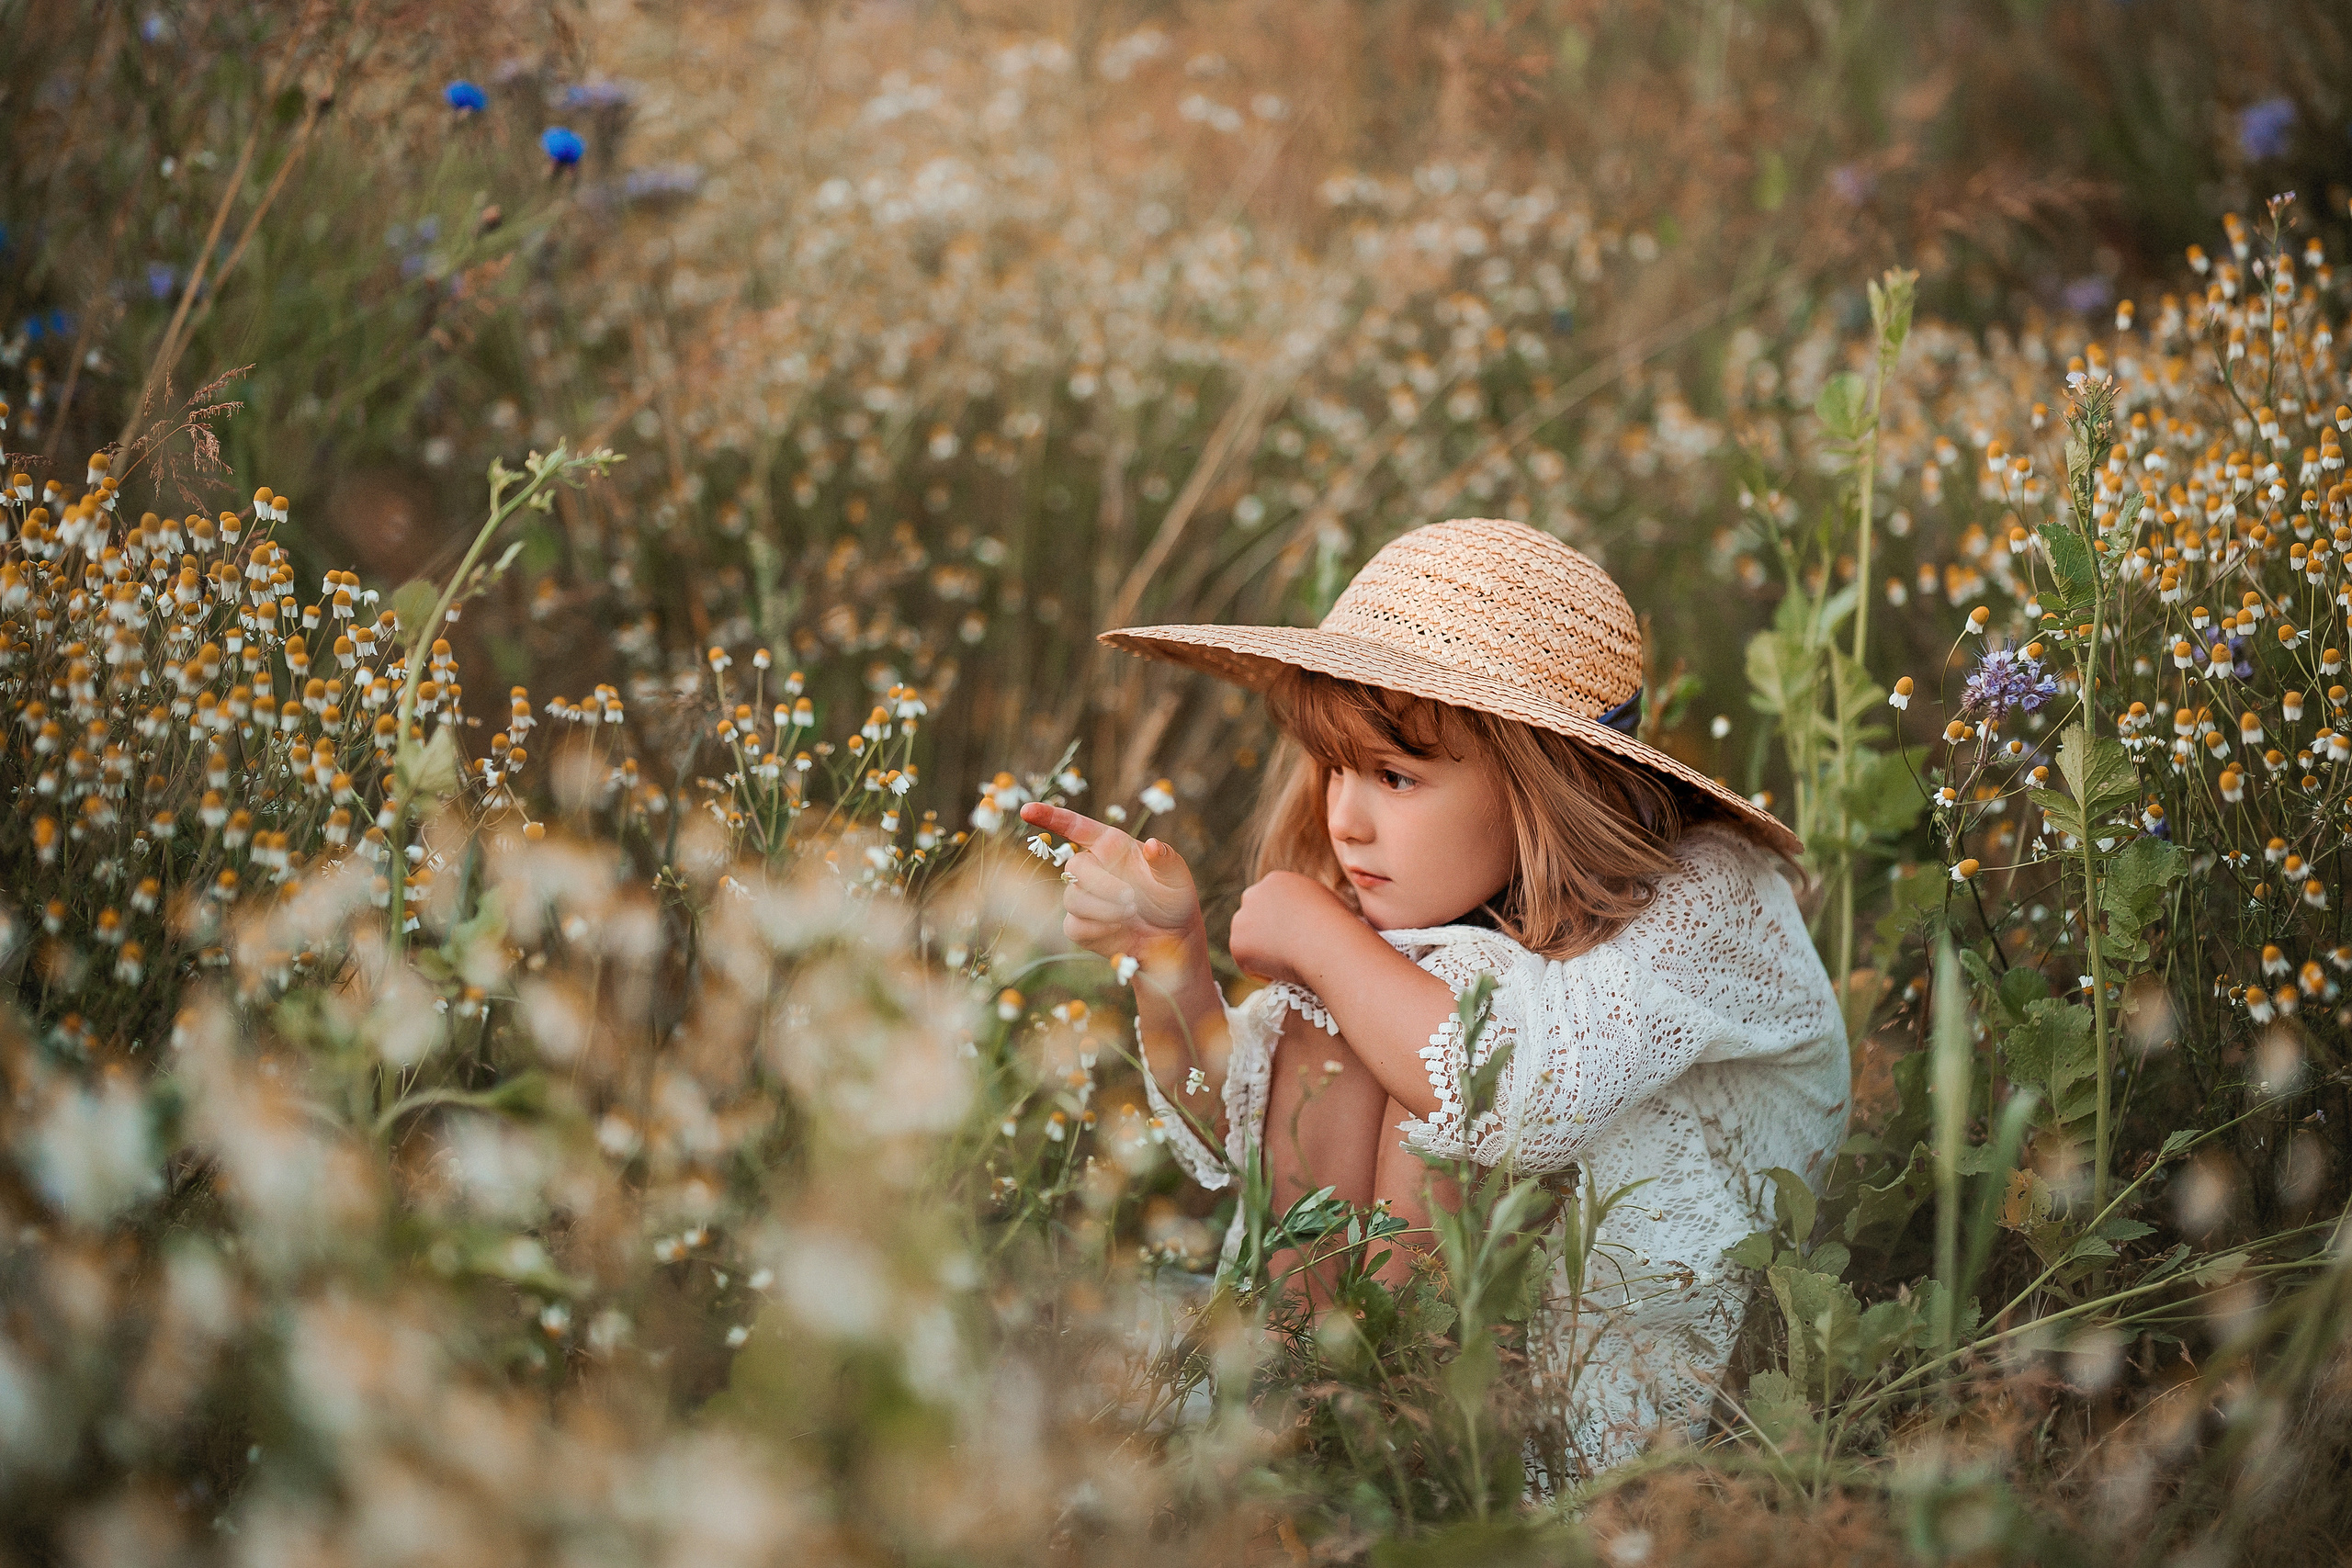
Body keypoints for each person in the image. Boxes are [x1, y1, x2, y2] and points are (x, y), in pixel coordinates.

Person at [1018, 516, 1847, 1474]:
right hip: (1461, 1296)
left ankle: (1427, 1442)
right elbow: (1242, 1131)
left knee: (1437, 1027)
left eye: (1394, 776)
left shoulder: (1707, 893)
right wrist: (1170, 958)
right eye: (1334, 768)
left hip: (1626, 1352)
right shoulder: (1427, 898)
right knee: (1346, 1020)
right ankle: (1307, 1403)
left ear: (1544, 781)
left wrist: (1320, 940)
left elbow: (1513, 1100)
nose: (1345, 820)